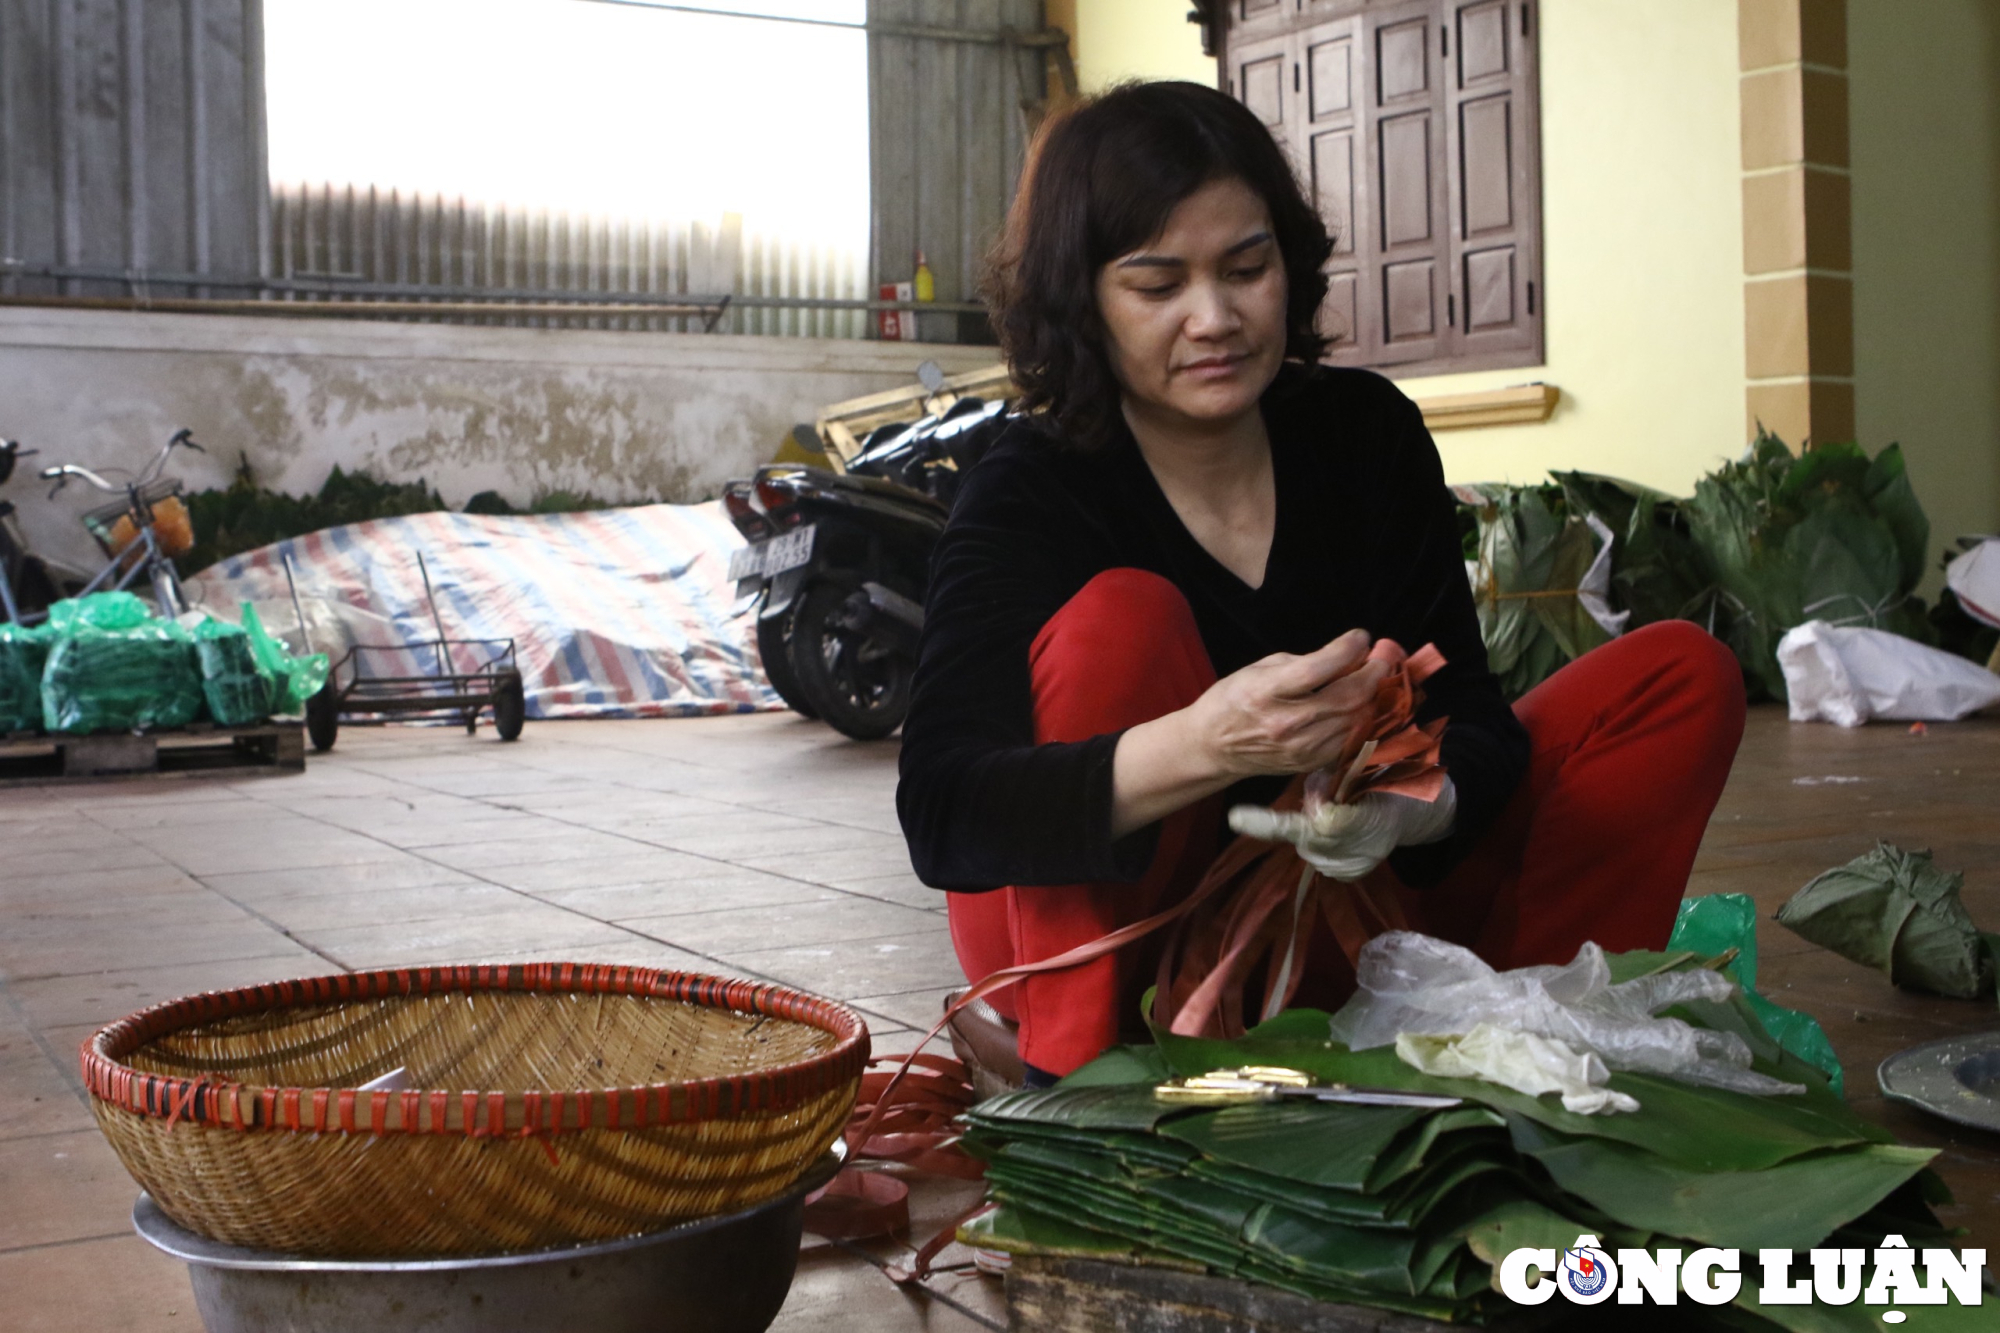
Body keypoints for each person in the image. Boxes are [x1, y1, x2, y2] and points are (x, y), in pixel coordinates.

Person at [895, 81, 1744, 1086]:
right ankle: (1087, 1094)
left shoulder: (1362, 434)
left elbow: (1467, 709)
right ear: (1082, 300)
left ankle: (1521, 1040)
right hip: (1110, 953)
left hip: (1338, 919)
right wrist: (1204, 744)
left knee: (1676, 677)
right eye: (1156, 285)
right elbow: (946, 810)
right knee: (1119, 620)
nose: (1213, 318)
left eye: (1245, 268)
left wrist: (1414, 807)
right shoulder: (1031, 486)